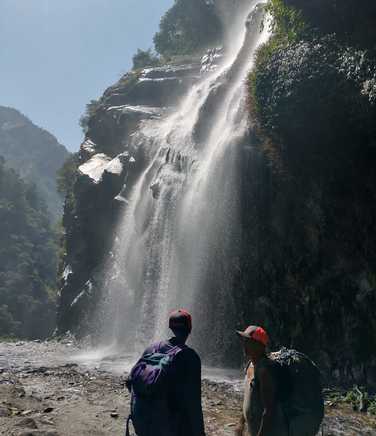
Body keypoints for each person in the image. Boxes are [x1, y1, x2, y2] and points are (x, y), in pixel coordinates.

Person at [127, 309, 205, 436]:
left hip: (142, 423)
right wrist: (200, 432)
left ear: (170, 327)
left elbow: (131, 383)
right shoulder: (189, 356)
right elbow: (194, 402)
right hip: (169, 426)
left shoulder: (152, 348)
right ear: (189, 328)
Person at [235, 325, 289, 436]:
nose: (244, 344)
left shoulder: (265, 371)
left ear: (259, 346)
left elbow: (269, 410)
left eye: (248, 341)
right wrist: (241, 423)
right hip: (253, 429)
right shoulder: (250, 365)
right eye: (244, 341)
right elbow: (248, 398)